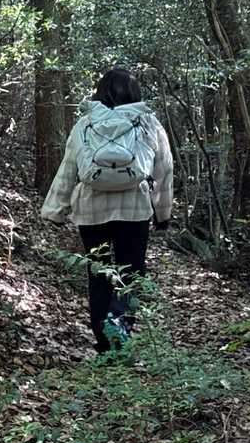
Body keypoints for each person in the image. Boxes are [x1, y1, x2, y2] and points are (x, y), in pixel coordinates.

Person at [40, 66, 174, 354]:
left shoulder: (85, 123)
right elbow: (164, 170)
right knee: (132, 273)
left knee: (98, 273)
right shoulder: (149, 123)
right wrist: (163, 214)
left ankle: (103, 340)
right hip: (134, 209)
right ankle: (119, 328)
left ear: (100, 91)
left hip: (91, 209)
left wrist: (55, 210)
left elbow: (69, 167)